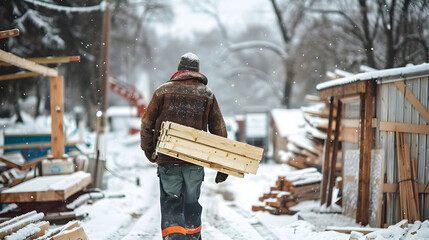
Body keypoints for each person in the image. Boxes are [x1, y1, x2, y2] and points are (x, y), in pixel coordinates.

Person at [140, 52, 229, 240]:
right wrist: (223, 166)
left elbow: (147, 123)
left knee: (172, 205)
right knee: (191, 205)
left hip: (168, 163)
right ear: (197, 71)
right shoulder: (207, 95)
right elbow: (219, 130)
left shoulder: (162, 92)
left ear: (179, 70)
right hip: (194, 164)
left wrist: (150, 151)